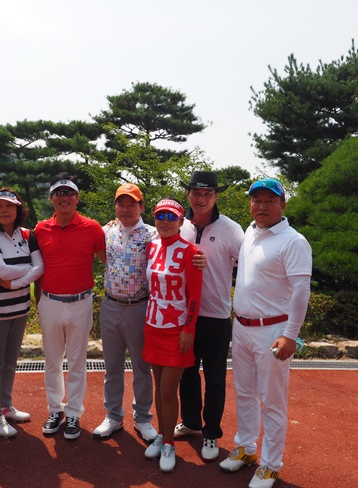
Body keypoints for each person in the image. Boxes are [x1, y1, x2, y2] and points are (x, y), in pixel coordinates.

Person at [219, 178, 312, 488]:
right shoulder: (250, 232)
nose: (262, 206)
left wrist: (291, 334)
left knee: (272, 401)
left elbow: (301, 290)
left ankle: (270, 465)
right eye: (256, 200)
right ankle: (246, 447)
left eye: (269, 200)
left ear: (282, 205)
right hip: (241, 327)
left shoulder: (293, 241)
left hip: (273, 331)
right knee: (244, 393)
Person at [174, 171, 244, 461]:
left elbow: (248, 266)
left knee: (215, 378)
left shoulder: (232, 230)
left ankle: (212, 432)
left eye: (208, 194)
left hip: (216, 315)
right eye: (196, 193)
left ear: (216, 197)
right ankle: (191, 422)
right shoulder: (179, 225)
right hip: (184, 315)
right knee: (187, 373)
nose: (201, 199)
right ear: (188, 194)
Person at [33, 173, 106, 440]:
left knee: (77, 361)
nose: (64, 197)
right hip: (50, 302)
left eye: (69, 193)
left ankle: (73, 412)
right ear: (51, 199)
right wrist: (39, 301)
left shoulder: (93, 227)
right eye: (59, 193)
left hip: (80, 302)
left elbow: (108, 260)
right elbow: (37, 267)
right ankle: (55, 409)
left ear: (77, 198)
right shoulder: (40, 229)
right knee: (52, 361)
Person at [92, 183, 158, 442]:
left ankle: (142, 418)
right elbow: (101, 258)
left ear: (142, 207)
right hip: (110, 305)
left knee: (142, 367)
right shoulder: (106, 231)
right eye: (121, 203)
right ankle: (113, 415)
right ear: (115, 206)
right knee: (112, 367)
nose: (126, 209)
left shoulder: (153, 234)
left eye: (132, 204)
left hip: (140, 307)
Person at [142, 198, 202, 473]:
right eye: (160, 216)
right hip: (152, 325)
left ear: (180, 221)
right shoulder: (151, 246)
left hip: (177, 328)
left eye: (171, 217)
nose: (165, 222)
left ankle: (169, 444)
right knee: (158, 387)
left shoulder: (191, 252)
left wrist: (189, 329)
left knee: (168, 390)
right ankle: (162, 434)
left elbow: (195, 295)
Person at [0, 188, 44, 437]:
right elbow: (2, 271)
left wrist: (16, 283)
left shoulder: (28, 235)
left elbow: (40, 268)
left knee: (10, 361)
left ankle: (5, 406)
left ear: (18, 209)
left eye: (9, 206)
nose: (4, 210)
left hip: (20, 309)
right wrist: (28, 269)